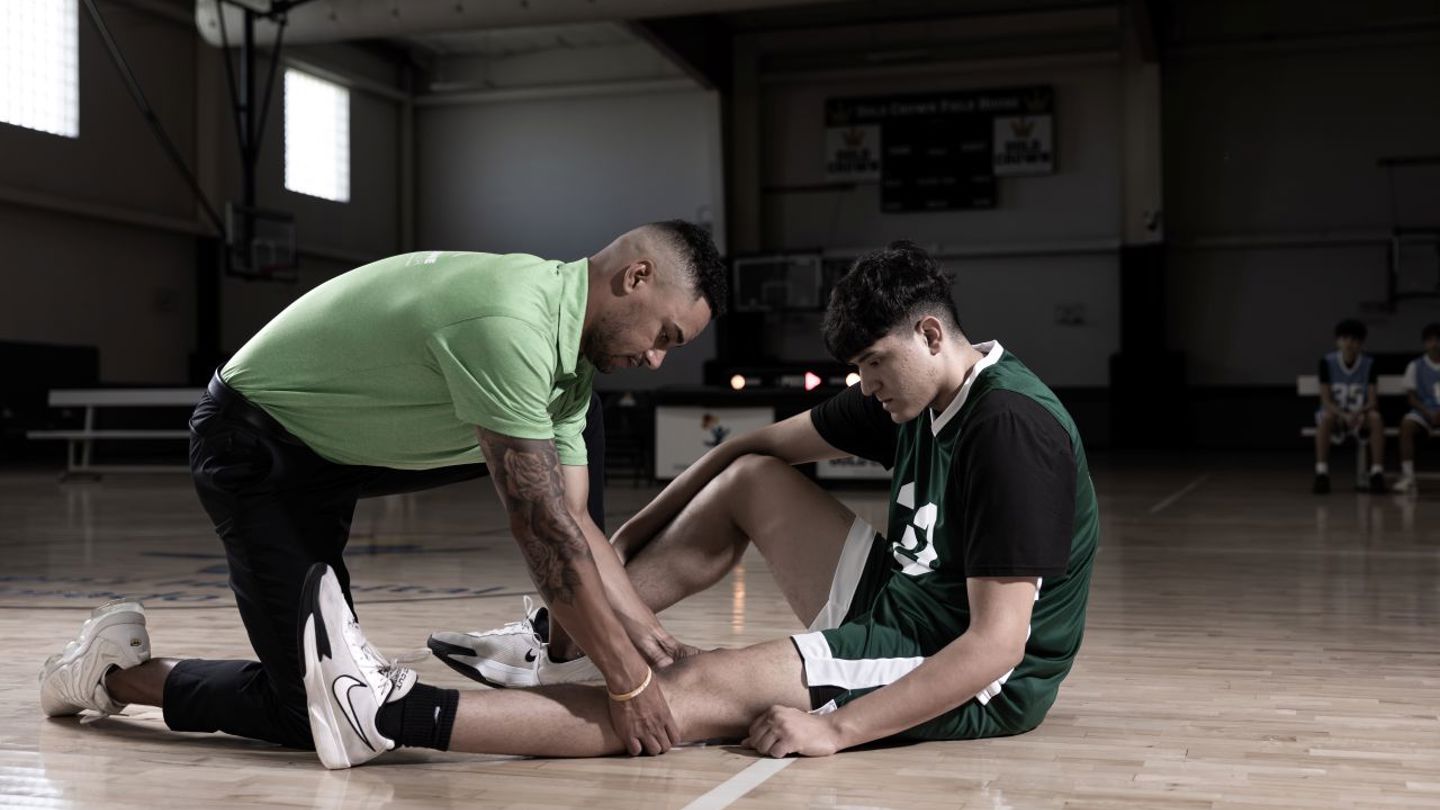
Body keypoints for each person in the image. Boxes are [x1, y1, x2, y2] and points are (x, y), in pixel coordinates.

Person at [295, 239, 1098, 768]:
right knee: (753, 481)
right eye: (856, 368)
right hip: (905, 599)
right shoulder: (910, 395)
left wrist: (836, 728)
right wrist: (616, 550)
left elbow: (996, 646)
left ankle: (388, 714)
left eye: (874, 363)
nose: (866, 385)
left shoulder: (1010, 431)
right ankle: (553, 644)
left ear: (930, 334)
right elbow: (740, 452)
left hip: (965, 665)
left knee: (690, 687)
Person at [38, 221, 727, 758]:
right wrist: (628, 683)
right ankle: (109, 673)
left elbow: (574, 518)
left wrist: (654, 645)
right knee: (314, 714)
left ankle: (560, 637)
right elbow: (544, 528)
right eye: (664, 335)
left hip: (335, 450)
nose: (656, 359)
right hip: (254, 447)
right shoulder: (512, 322)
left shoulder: (569, 361)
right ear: (636, 276)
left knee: (575, 439)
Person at [1313, 319, 1384, 494]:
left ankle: (1377, 472)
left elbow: (1372, 400)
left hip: (1360, 413)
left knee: (1375, 418)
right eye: (1344, 339)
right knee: (1326, 417)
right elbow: (1325, 400)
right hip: (1336, 413)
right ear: (1337, 341)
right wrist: (1343, 415)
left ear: (1361, 343)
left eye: (1354, 339)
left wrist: (1357, 413)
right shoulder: (1326, 362)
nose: (1349, 343)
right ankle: (1321, 473)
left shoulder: (1369, 364)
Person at [1393, 322, 1440, 494]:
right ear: (1425, 343)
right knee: (1407, 425)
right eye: (1430, 340)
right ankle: (1408, 476)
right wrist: (1428, 412)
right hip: (1425, 411)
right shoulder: (1415, 366)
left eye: (1438, 340)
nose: (1435, 344)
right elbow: (1411, 398)